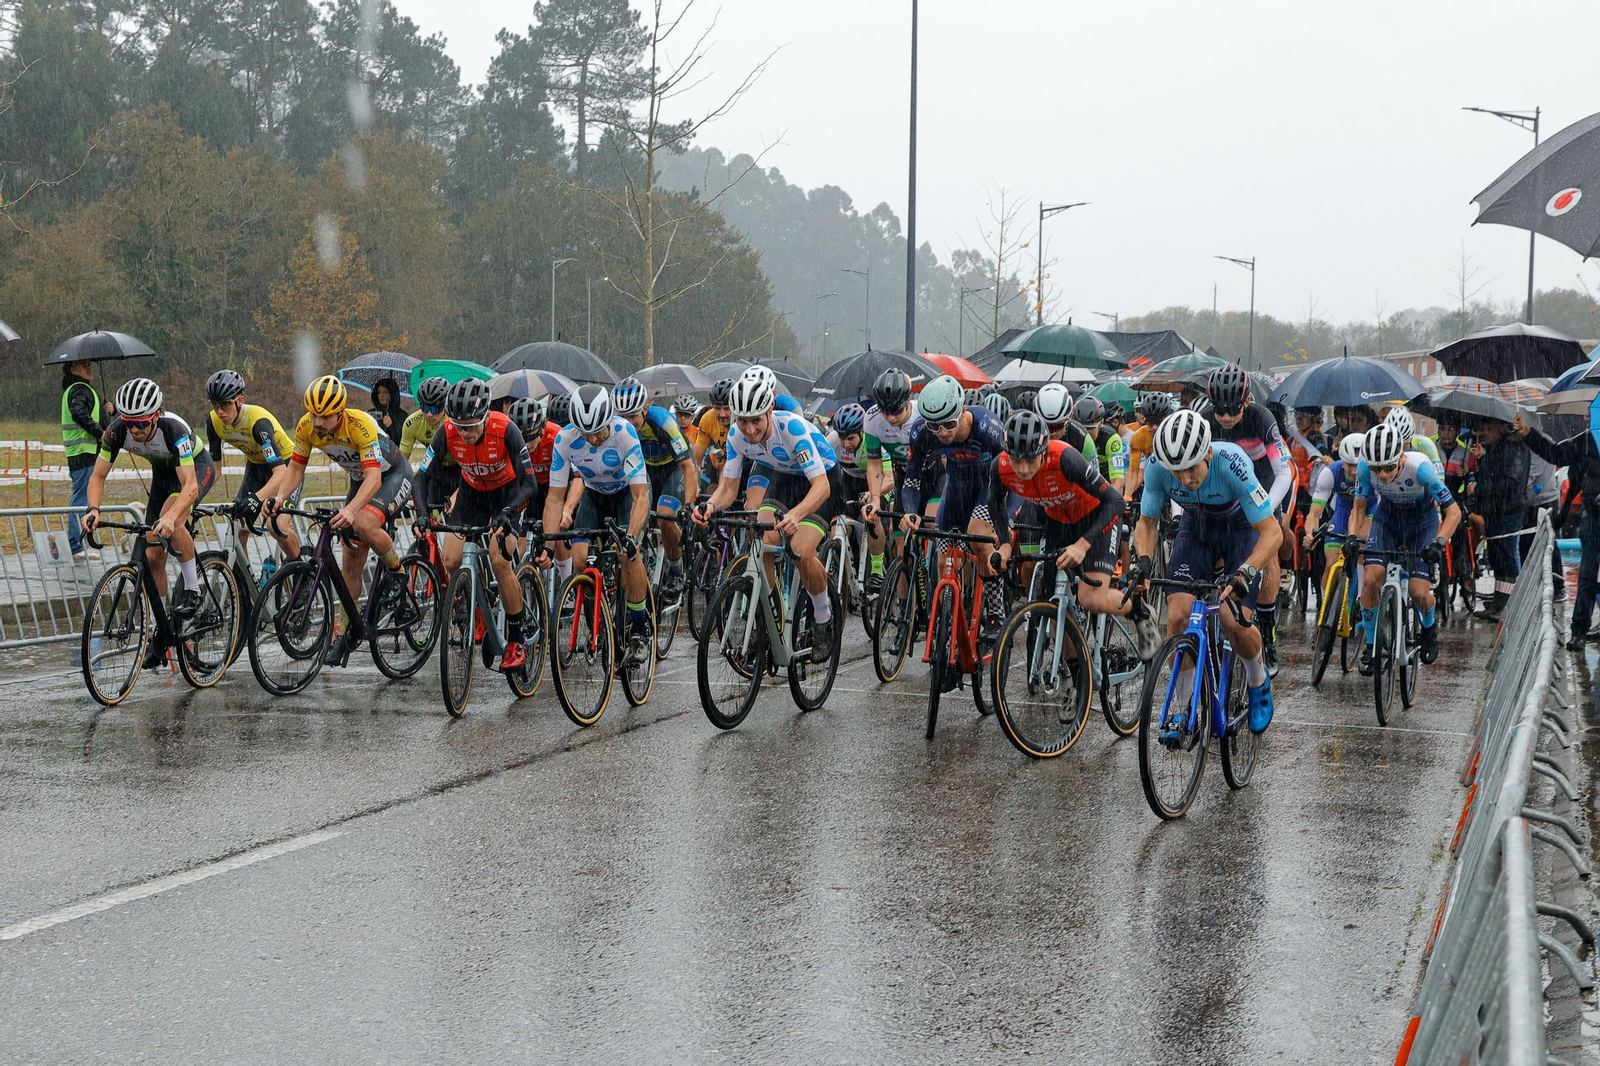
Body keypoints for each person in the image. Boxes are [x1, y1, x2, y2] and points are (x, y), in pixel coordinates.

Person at [1130, 408, 1279, 732]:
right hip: (1196, 531)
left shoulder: (1232, 462)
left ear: (1208, 452)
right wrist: (1143, 560)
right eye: (1177, 470)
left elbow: (1272, 533)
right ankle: (1183, 709)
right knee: (1177, 617)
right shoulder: (1156, 467)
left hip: (1241, 532)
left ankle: (1257, 678)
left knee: (1232, 621)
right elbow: (1146, 523)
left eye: (1191, 467)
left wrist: (1246, 572)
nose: (1184, 479)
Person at [265, 375, 415, 667]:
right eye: (313, 414)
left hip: (391, 475)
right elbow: (295, 468)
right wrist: (280, 497)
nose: (317, 422)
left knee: (362, 524)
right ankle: (348, 632)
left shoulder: (360, 425)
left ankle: (396, 570)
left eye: (325, 416)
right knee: (350, 557)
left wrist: (350, 511)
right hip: (360, 480)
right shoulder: (307, 427)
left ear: (340, 413)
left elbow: (374, 478)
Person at [692, 370, 841, 653]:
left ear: (770, 410)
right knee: (762, 540)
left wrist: (796, 514)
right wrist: (710, 506)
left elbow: (821, 486)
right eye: (742, 421)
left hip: (821, 480)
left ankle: (823, 617)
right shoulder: (736, 436)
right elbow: (728, 488)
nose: (749, 429)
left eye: (756, 421)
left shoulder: (792, 430)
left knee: (799, 550)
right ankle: (770, 621)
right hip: (782, 477)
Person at [987, 410, 1154, 655]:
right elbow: (995, 503)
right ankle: (1079, 676)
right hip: (1059, 523)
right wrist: (1003, 544)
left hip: (1096, 519)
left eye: (1030, 460)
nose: (1023, 469)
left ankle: (1138, 611)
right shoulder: (1000, 467)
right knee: (1053, 601)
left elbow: (1116, 502)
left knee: (1091, 599)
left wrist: (1083, 545)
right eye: (1016, 460)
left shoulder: (1065, 458)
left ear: (1043, 451)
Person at [83, 379, 218, 666]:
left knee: (173, 518)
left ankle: (193, 589)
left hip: (195, 471)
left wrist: (170, 518)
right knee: (153, 555)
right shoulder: (116, 431)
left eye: (141, 423)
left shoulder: (174, 430)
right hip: (162, 474)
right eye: (129, 422)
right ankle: (163, 629)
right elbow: (97, 476)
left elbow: (190, 487)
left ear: (155, 416)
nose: (134, 429)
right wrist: (93, 509)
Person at [418, 379, 538, 670]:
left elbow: (530, 482)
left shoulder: (506, 429)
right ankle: (479, 611)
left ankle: (517, 639)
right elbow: (421, 476)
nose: (465, 433)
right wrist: (422, 514)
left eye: (471, 426)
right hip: (471, 493)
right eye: (460, 426)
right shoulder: (447, 432)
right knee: (450, 559)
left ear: (485, 416)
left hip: (507, 495)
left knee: (499, 561)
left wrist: (509, 512)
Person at [542, 384, 654, 667]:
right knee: (580, 561)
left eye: (598, 431)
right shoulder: (565, 439)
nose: (592, 438)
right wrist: (546, 542)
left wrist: (630, 537)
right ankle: (599, 617)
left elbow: (641, 495)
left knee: (627, 555)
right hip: (594, 496)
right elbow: (554, 499)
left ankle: (639, 627)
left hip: (626, 495)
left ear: (609, 420)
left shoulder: (625, 433)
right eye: (585, 432)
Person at [897, 374, 1009, 643]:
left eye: (949, 423)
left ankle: (995, 613)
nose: (944, 433)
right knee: (942, 552)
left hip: (988, 488)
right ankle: (946, 615)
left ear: (963, 410)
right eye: (936, 427)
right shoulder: (922, 432)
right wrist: (911, 510)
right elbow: (912, 478)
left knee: (978, 536)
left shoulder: (986, 426)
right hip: (956, 487)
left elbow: (1010, 474)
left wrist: (1007, 523)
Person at [1348, 422, 1461, 669]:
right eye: (1377, 469)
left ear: (1401, 456)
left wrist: (1439, 542)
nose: (1384, 475)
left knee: (1418, 592)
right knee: (1370, 580)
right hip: (1388, 518)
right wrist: (1352, 537)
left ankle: (1429, 628)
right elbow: (1358, 508)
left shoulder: (1420, 468)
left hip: (1422, 522)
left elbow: (1453, 511)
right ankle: (1371, 643)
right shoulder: (1365, 469)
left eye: (1389, 467)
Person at [1205, 364, 1292, 674]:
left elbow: (1284, 471)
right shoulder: (1205, 420)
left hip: (1265, 485)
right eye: (1220, 410)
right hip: (1226, 489)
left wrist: (1266, 508)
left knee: (1266, 552)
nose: (1227, 417)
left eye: (1233, 409)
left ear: (1246, 401)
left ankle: (1266, 633)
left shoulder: (1262, 418)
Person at [1511, 412, 1600, 646]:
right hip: (1594, 520)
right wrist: (1529, 434)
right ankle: (1579, 631)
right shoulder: (1591, 439)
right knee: (1588, 577)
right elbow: (1557, 453)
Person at [203, 369, 302, 570]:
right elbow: (215, 470)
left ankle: (299, 568)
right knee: (238, 528)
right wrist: (192, 498)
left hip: (287, 465)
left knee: (276, 526)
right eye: (215, 405)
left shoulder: (258, 423)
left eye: (225, 404)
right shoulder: (213, 422)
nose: (220, 411)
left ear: (240, 401)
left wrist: (256, 499)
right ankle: (244, 588)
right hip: (256, 467)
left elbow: (280, 472)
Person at [611, 376, 697, 602]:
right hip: (645, 471)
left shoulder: (663, 422)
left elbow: (688, 467)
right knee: (635, 515)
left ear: (645, 409)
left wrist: (688, 506)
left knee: (666, 517)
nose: (628, 423)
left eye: (633, 416)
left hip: (672, 470)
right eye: (622, 417)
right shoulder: (616, 429)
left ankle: (676, 570)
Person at [1467, 418, 1529, 622]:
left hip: (1508, 513)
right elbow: (1492, 474)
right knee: (1498, 559)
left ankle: (1511, 607)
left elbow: (1509, 483)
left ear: (1499, 428)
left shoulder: (1512, 448)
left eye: (1487, 428)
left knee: (1508, 559)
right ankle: (1499, 604)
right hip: (1495, 513)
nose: (1484, 432)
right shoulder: (1497, 448)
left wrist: (1480, 489)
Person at [861, 369, 918, 586]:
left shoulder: (922, 415)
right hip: (903, 474)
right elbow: (874, 463)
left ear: (909, 400)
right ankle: (904, 605)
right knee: (901, 545)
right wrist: (875, 499)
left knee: (933, 530)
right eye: (886, 411)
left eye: (896, 410)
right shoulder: (873, 418)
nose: (891, 417)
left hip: (930, 474)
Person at [60, 358, 105, 560]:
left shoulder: (79, 389)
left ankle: (79, 544)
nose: (90, 368)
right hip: (83, 451)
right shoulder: (79, 389)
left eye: (90, 364)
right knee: (81, 499)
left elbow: (95, 415)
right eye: (85, 365)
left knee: (84, 497)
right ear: (73, 369)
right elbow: (79, 412)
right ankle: (76, 545)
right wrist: (98, 431)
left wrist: (108, 411)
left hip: (81, 452)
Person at [1125, 391, 1176, 504]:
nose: (1154, 427)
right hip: (1154, 475)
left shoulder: (1177, 432)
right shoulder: (1138, 436)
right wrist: (1128, 494)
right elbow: (1133, 470)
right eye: (1150, 422)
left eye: (1159, 422)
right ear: (1145, 420)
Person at [1072, 395, 1126, 495]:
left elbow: (1117, 481)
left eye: (1090, 428)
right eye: (1081, 428)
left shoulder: (1111, 438)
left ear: (1101, 422)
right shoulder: (1071, 436)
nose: (1086, 433)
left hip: (1106, 484)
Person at [400, 377, 450, 464]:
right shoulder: (411, 423)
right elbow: (401, 463)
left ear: (445, 406)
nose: (429, 414)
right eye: (425, 408)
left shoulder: (456, 422)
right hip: (435, 465)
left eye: (435, 409)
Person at [368, 377, 407, 446]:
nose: (381, 395)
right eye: (379, 392)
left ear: (392, 393)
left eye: (386, 392)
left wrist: (392, 426)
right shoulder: (371, 413)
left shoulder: (402, 415)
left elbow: (404, 440)